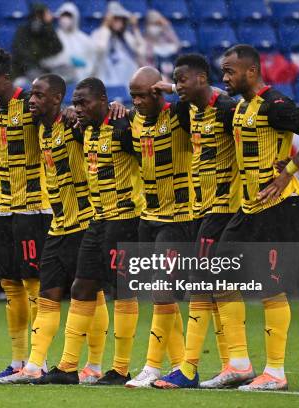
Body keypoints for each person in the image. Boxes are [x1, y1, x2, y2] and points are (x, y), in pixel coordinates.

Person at [211, 44, 299, 391]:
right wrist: (169, 87)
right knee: (221, 280)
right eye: (222, 71)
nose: (225, 77)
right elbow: (205, 91)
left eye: (230, 71)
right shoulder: (240, 106)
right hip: (249, 207)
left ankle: (275, 372)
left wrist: (287, 172)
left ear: (251, 71)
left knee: (270, 287)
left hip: (278, 206)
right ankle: (238, 364)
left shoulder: (275, 104)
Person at [0, 74, 108, 384]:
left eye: (39, 95)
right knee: (48, 294)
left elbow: (104, 126)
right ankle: (34, 366)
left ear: (57, 99)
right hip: (58, 225)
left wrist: (117, 108)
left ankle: (94, 366)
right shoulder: (42, 129)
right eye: (31, 94)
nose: (32, 100)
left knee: (89, 293)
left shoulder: (74, 126)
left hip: (84, 223)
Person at [37, 77, 144, 386]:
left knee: (123, 291)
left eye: (84, 102)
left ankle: (121, 368)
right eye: (76, 102)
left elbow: (147, 160)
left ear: (103, 102)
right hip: (97, 222)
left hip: (126, 219)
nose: (78, 108)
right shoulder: (83, 130)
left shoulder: (124, 128)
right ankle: (68, 367)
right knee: (82, 287)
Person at [147, 54, 241, 389]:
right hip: (207, 210)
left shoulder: (228, 108)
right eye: (175, 81)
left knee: (203, 284)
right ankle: (235, 362)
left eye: (182, 80)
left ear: (201, 78)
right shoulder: (193, 112)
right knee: (215, 287)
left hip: (225, 209)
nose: (177, 87)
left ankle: (189, 368)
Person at [0, 48, 52, 383]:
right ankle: (18, 360)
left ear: (6, 77)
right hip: (4, 207)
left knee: (34, 284)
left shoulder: (32, 105)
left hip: (34, 207)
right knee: (9, 285)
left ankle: (40, 361)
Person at [121, 66, 193, 388]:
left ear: (157, 92)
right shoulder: (132, 123)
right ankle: (178, 365)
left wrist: (175, 89)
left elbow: (210, 101)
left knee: (162, 290)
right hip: (148, 218)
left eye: (142, 95)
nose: (136, 101)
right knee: (159, 294)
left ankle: (151, 366)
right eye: (132, 95)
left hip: (178, 218)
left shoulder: (180, 115)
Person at [91, 1, 145, 86]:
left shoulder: (127, 36)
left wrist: (135, 28)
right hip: (106, 80)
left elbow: (142, 51)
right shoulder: (98, 33)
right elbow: (100, 49)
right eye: (115, 19)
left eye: (121, 19)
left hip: (126, 81)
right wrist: (105, 26)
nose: (119, 22)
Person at [40, 2, 95, 83]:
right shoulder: (52, 38)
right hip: (57, 82)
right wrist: (66, 61)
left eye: (69, 16)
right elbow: (44, 61)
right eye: (63, 16)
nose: (65, 19)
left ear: (75, 18)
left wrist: (85, 66)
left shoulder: (84, 39)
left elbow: (92, 62)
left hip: (81, 82)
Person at [11, 3, 63, 85]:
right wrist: (35, 59)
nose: (37, 20)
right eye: (36, 16)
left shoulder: (47, 30)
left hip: (45, 66)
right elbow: (20, 52)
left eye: (40, 16)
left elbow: (58, 48)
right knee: (40, 81)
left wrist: (48, 26)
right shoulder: (23, 30)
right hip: (25, 69)